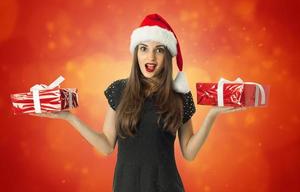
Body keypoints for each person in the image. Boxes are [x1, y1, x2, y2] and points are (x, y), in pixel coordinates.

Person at [31, 14, 246, 192]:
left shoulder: (180, 95)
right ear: (136, 53)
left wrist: (213, 115)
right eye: (143, 48)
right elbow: (106, 145)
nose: (150, 57)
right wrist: (68, 117)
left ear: (168, 56)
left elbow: (189, 153)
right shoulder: (118, 90)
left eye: (159, 50)